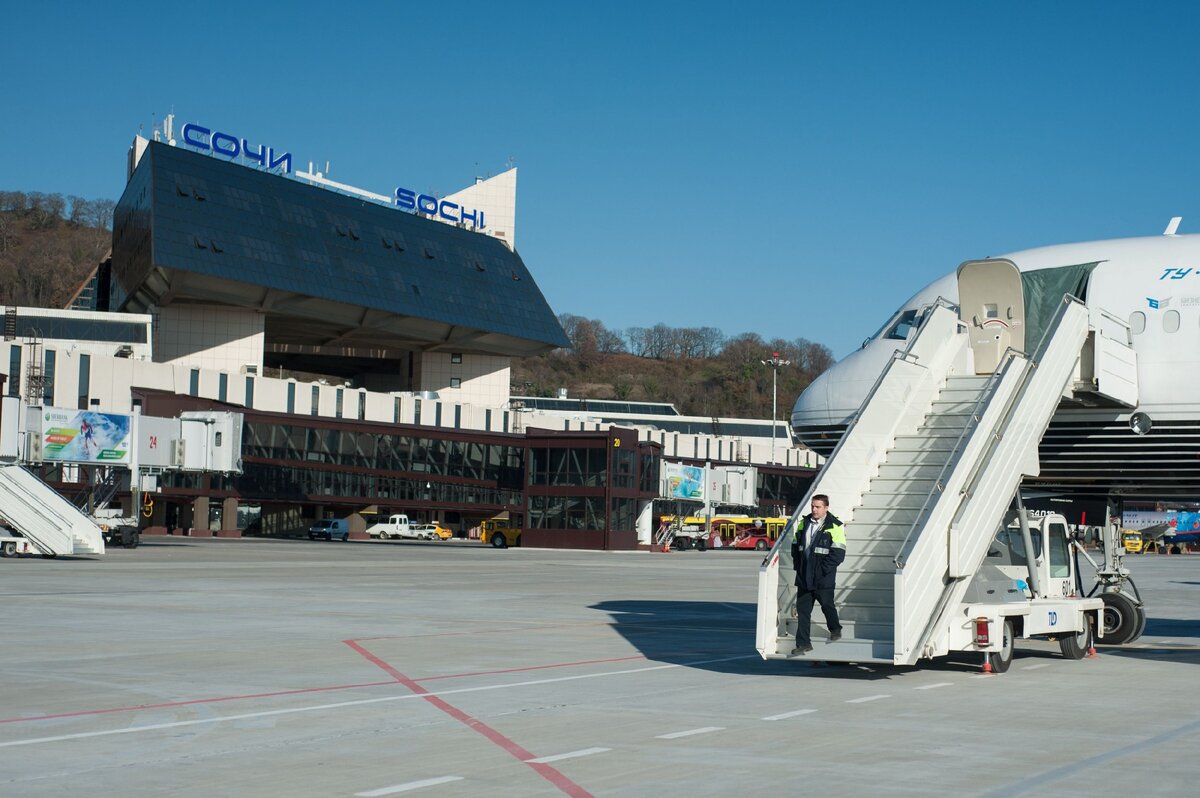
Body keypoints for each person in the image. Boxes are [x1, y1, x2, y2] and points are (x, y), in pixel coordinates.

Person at [790, 494, 846, 656]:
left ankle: (835, 629)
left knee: (827, 605)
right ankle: (803, 643)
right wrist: (798, 566)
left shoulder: (835, 526)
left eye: (818, 507)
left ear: (826, 508)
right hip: (804, 575)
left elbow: (838, 554)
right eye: (812, 506)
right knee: (803, 610)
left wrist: (821, 571)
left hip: (823, 577)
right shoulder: (804, 523)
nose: (814, 509)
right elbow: (796, 546)